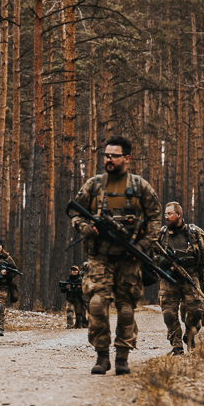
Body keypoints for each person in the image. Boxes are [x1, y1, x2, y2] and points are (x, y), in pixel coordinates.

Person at [71, 135, 160, 375]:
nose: (108, 159)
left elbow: (155, 220)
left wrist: (141, 247)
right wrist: (85, 227)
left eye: (114, 155)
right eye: (106, 155)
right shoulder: (94, 185)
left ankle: (122, 357)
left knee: (126, 309)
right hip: (100, 257)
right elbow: (74, 212)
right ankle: (102, 357)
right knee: (98, 304)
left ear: (127, 158)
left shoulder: (141, 186)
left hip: (129, 259)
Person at [154, 201, 204, 355]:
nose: (167, 217)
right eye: (165, 214)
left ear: (179, 215)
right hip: (168, 279)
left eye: (170, 214)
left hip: (191, 276)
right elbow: (150, 255)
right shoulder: (161, 235)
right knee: (169, 314)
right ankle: (176, 346)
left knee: (196, 311)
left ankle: (190, 334)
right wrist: (160, 262)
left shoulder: (194, 233)